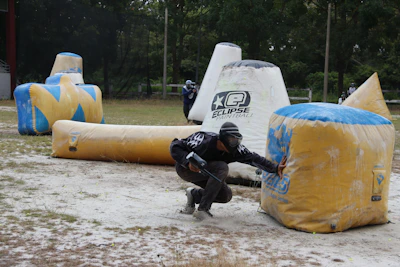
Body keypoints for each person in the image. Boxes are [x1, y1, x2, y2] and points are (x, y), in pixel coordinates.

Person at [169, 122, 287, 221]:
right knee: (222, 167)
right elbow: (175, 145)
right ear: (222, 139)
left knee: (225, 195)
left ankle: (194, 195)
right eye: (232, 140)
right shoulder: (204, 140)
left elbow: (254, 158)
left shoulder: (236, 150)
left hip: (208, 172)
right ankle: (202, 210)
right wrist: (187, 162)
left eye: (236, 140)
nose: (234, 143)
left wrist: (275, 168)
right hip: (185, 169)